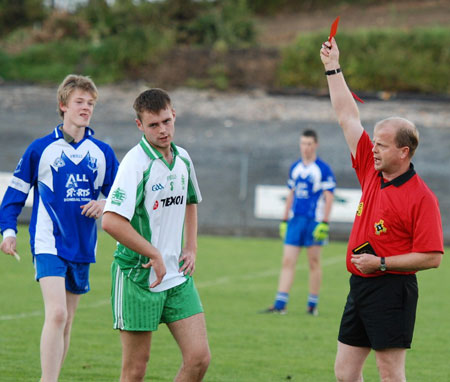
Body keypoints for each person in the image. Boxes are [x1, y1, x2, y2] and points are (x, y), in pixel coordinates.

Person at [320, 38, 444, 382]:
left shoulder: (422, 198)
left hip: (393, 290)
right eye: (373, 142)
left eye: (381, 144)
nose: (372, 148)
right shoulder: (371, 172)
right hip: (359, 285)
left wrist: (382, 263)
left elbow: (433, 256)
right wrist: (333, 67)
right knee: (345, 372)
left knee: (390, 373)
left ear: (403, 151)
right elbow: (347, 116)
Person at [0, 74, 119, 382]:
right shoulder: (41, 148)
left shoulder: (103, 152)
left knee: (66, 322)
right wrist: (9, 232)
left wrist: (106, 205)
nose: (86, 108)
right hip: (47, 243)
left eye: (91, 103)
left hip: (82, 246)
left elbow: (123, 196)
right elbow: (14, 196)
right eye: (80, 102)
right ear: (63, 105)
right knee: (57, 314)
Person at [102, 88, 210, 382]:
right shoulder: (135, 163)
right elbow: (110, 221)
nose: (162, 130)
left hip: (176, 276)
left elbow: (190, 200)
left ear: (174, 115)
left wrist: (191, 246)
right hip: (138, 277)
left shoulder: (183, 159)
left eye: (166, 121)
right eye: (153, 125)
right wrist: (153, 252)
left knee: (199, 359)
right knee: (136, 369)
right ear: (140, 125)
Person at [263, 129, 336, 315]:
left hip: (314, 221)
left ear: (316, 145)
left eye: (309, 144)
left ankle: (312, 305)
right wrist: (284, 219)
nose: (306, 147)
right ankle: (280, 304)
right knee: (287, 260)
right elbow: (291, 194)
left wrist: (325, 223)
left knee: (313, 262)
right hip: (295, 221)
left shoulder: (323, 169)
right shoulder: (295, 167)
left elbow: (329, 197)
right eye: (303, 143)